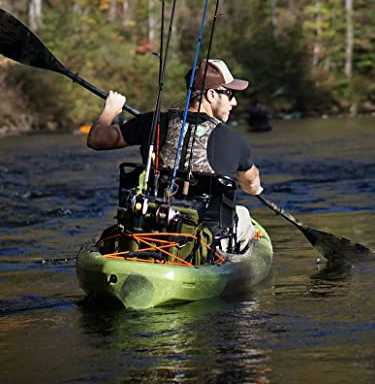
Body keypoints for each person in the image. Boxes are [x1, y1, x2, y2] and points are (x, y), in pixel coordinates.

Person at [87, 59, 262, 249]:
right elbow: (251, 184)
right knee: (242, 213)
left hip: (150, 232)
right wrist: (254, 188)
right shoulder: (235, 141)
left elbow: (97, 139)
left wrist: (110, 110)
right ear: (211, 94)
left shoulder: (152, 123)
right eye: (230, 94)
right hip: (206, 245)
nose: (234, 102)